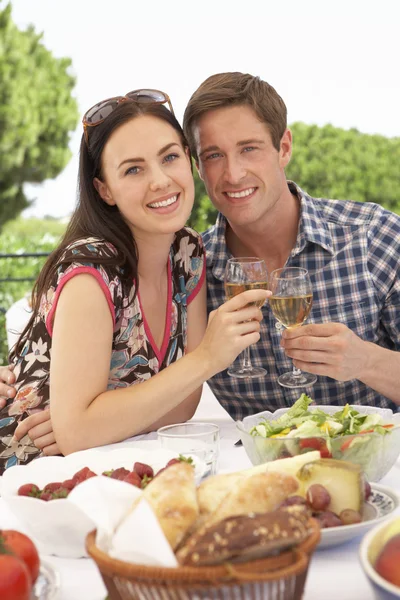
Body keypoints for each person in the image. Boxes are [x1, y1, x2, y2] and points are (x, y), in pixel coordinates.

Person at [1, 71, 400, 447]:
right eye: (213, 155)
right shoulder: (197, 268)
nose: (233, 173)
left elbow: (171, 400)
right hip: (255, 477)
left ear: (284, 148)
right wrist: (66, 411)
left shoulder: (371, 237)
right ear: (198, 165)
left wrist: (368, 361)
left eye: (249, 149)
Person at [0, 89, 268, 472]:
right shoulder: (90, 273)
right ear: (104, 189)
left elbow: (182, 405)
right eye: (133, 169)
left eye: (170, 157)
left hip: (106, 466)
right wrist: (208, 356)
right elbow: (78, 434)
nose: (160, 181)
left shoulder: (187, 254)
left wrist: (99, 425)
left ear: (189, 161)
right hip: (27, 474)